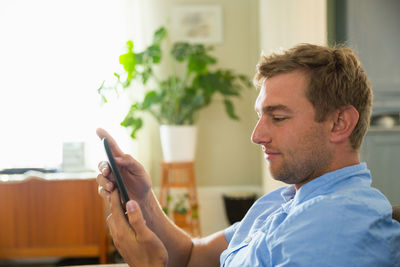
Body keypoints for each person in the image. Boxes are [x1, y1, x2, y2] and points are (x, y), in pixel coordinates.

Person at [96, 43, 400, 267]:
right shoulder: (282, 203)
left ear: (339, 123)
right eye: (260, 117)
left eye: (278, 117)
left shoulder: (338, 225)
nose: (257, 136)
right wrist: (144, 198)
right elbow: (191, 256)